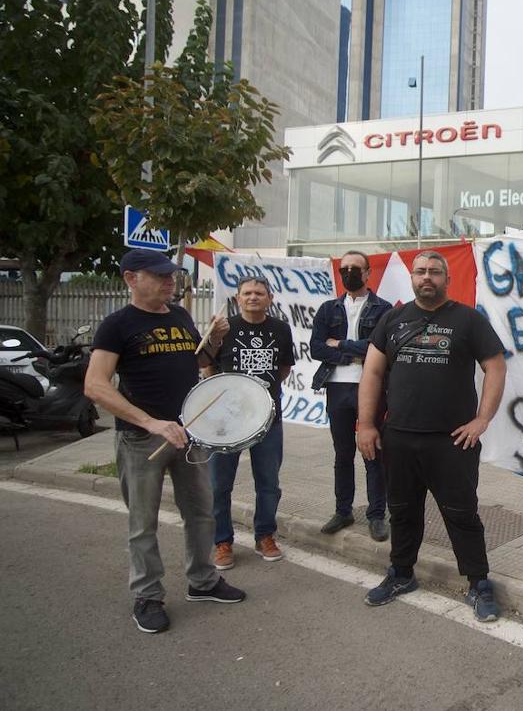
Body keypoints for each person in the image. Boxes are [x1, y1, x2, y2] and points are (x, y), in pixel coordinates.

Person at [84, 249, 245, 635]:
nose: (170, 281)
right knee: (143, 523)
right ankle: (148, 596)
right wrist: (151, 422)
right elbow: (95, 385)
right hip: (142, 441)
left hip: (190, 436)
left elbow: (197, 362)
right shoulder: (117, 325)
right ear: (130, 279)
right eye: (159, 275)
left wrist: (215, 341)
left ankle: (203, 582)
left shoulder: (179, 316)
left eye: (171, 275)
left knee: (201, 514)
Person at [357, 251, 507, 621]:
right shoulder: (392, 319)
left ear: (447, 278)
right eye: (421, 271)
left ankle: (478, 584)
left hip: (453, 441)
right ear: (412, 278)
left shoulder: (468, 319)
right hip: (400, 438)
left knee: (462, 514)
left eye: (435, 272)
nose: (427, 277)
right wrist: (366, 424)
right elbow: (372, 373)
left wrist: (482, 420)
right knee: (403, 512)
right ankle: (401, 573)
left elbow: (495, 367)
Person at [203, 276, 296, 570]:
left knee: (268, 483)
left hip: (267, 419)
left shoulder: (281, 329)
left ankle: (265, 536)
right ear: (238, 298)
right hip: (226, 421)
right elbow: (205, 366)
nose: (253, 297)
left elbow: (283, 369)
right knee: (219, 485)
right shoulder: (222, 328)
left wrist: (259, 397)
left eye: (259, 293)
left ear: (269, 298)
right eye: (247, 293)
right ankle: (222, 541)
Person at [310, 250, 392, 541]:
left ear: (368, 273)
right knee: (342, 453)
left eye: (355, 268)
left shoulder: (383, 309)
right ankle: (343, 510)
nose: (349, 273)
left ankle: (376, 515)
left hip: (371, 387)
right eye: (344, 268)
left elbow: (379, 347)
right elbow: (317, 348)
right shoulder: (327, 309)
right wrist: (353, 354)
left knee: (373, 451)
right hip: (336, 387)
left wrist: (341, 344)